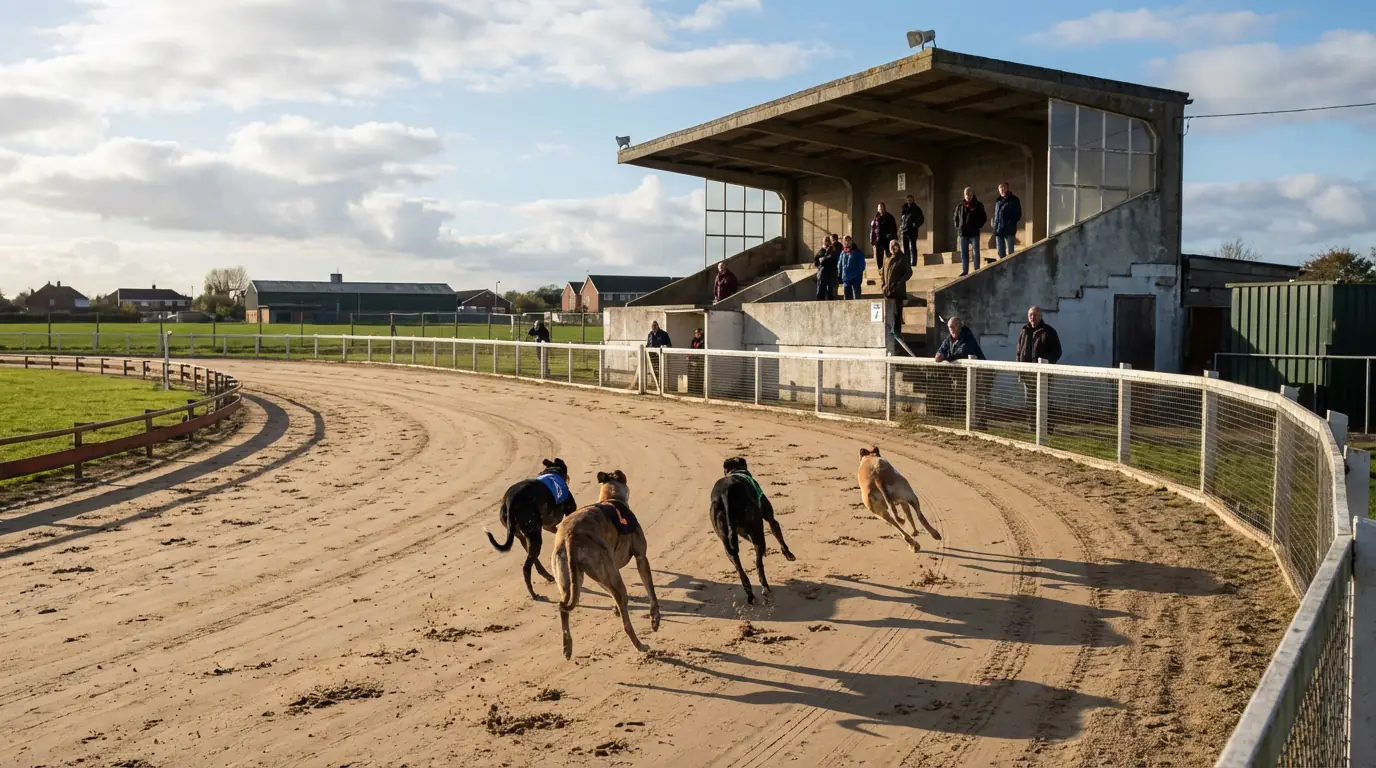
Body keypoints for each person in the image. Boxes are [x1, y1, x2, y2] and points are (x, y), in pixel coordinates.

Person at [953, 187, 988, 276]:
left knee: (975, 252)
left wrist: (977, 226)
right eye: (965, 194)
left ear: (972, 194)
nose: (967, 196)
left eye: (969, 194)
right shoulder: (960, 206)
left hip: (974, 233)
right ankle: (965, 271)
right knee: (964, 253)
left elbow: (983, 218)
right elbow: (955, 218)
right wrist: (958, 227)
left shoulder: (978, 205)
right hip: (963, 233)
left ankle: (977, 269)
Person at [881, 240, 912, 338]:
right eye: (891, 246)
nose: (893, 248)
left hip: (898, 291)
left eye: (895, 246)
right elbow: (882, 273)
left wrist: (899, 282)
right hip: (888, 291)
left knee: (897, 314)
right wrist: (883, 285)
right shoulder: (887, 259)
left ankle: (897, 334)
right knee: (889, 314)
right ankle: (889, 334)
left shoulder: (902, 258)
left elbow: (909, 272)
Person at [993, 182, 1022, 259]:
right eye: (1000, 188)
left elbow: (1018, 214)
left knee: (1011, 252)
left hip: (1009, 229)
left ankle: (1011, 269)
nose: (1002, 189)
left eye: (1004, 187)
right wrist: (995, 227)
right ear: (998, 189)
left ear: (1007, 188)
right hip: (999, 230)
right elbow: (996, 215)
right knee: (1000, 252)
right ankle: (1003, 269)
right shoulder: (998, 201)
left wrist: (1010, 222)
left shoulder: (1014, 199)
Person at [870, 202, 897, 271]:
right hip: (878, 240)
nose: (880, 209)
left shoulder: (889, 217)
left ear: (884, 208)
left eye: (882, 207)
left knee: (889, 256)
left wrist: (893, 238)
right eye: (879, 208)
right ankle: (880, 270)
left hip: (887, 240)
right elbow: (873, 230)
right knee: (879, 257)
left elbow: (894, 228)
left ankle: (890, 269)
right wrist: (872, 240)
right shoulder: (875, 218)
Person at [838, 236, 867, 300]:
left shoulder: (857, 253)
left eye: (848, 240)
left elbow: (862, 265)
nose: (847, 242)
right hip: (846, 278)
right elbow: (840, 264)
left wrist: (858, 274)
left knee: (856, 297)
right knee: (847, 298)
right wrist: (839, 274)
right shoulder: (843, 253)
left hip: (856, 278)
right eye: (845, 240)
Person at [900, 194, 924, 266]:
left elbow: (921, 219)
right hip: (905, 230)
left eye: (910, 200)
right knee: (906, 247)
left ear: (913, 200)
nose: (909, 201)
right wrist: (902, 226)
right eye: (908, 200)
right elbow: (902, 219)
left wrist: (915, 224)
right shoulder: (904, 209)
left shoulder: (917, 209)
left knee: (913, 246)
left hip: (913, 230)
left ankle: (913, 262)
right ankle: (907, 261)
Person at [814, 235, 838, 300]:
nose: (826, 243)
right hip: (822, 273)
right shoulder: (820, 251)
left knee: (831, 291)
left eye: (827, 241)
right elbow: (816, 261)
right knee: (821, 291)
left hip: (831, 273)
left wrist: (823, 260)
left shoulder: (833, 251)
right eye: (825, 241)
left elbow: (832, 259)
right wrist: (820, 262)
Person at [689, 328, 706, 395]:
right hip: (694, 359)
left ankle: (700, 390)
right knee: (694, 375)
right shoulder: (694, 340)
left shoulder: (703, 341)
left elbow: (702, 349)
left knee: (700, 375)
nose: (696, 334)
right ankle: (694, 390)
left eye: (697, 333)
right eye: (695, 333)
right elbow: (691, 348)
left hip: (700, 360)